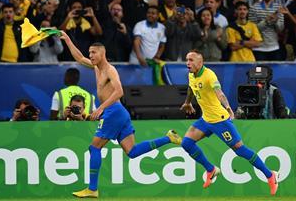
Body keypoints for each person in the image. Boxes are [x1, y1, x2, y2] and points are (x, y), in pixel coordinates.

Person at [59, 32, 181, 198]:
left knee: (94, 148)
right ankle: (168, 138)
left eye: (93, 53)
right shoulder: (96, 68)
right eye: (90, 53)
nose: (90, 56)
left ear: (103, 53)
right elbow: (79, 58)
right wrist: (67, 39)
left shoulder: (110, 70)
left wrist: (101, 108)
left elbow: (119, 92)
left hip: (113, 111)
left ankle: (92, 189)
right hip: (119, 112)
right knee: (132, 152)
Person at [179, 50, 279, 195]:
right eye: (187, 60)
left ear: (200, 63)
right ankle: (211, 170)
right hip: (205, 119)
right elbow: (191, 87)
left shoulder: (209, 75)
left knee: (240, 150)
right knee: (186, 143)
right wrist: (187, 102)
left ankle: (270, 175)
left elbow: (219, 93)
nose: (188, 63)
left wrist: (228, 108)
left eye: (191, 60)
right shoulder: (191, 75)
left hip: (220, 120)